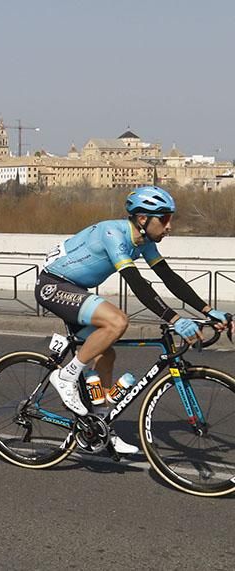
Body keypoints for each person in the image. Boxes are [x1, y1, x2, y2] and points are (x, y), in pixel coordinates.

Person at [38, 185, 233, 454]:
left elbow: (169, 278)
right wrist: (174, 319)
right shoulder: (113, 234)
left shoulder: (145, 242)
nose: (169, 226)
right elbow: (137, 284)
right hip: (55, 285)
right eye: (164, 219)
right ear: (143, 219)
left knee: (106, 357)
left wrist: (208, 310)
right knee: (117, 321)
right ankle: (66, 377)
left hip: (76, 290)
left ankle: (101, 425)